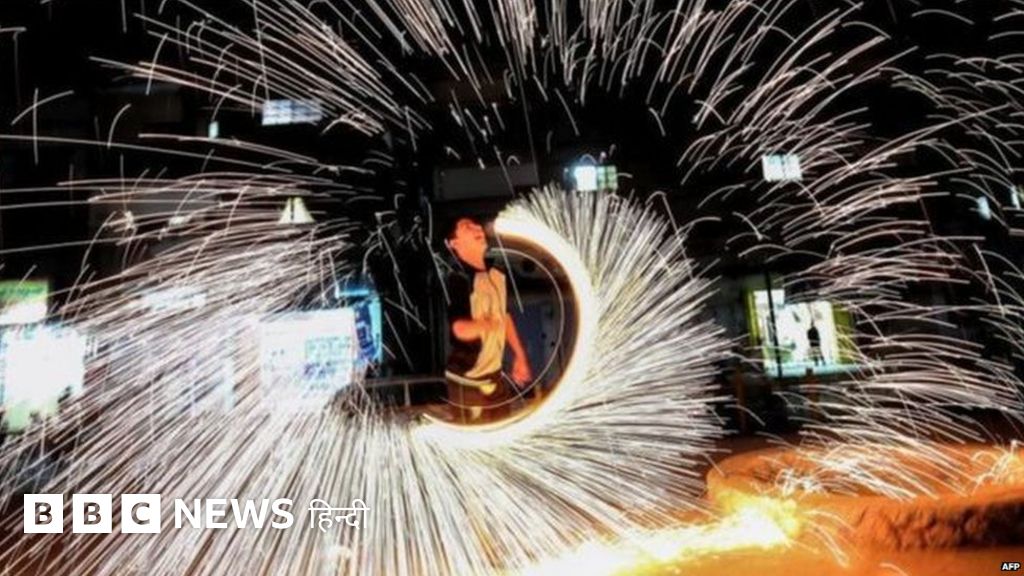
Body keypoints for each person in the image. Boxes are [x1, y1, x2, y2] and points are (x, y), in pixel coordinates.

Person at [444, 218, 532, 423]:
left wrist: (520, 356)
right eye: (467, 227)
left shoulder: (498, 274)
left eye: (477, 225)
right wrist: (486, 325)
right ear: (454, 243)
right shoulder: (458, 279)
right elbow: (460, 330)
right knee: (477, 440)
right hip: (469, 381)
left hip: (495, 377)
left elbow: (504, 317)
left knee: (503, 435)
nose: (478, 228)